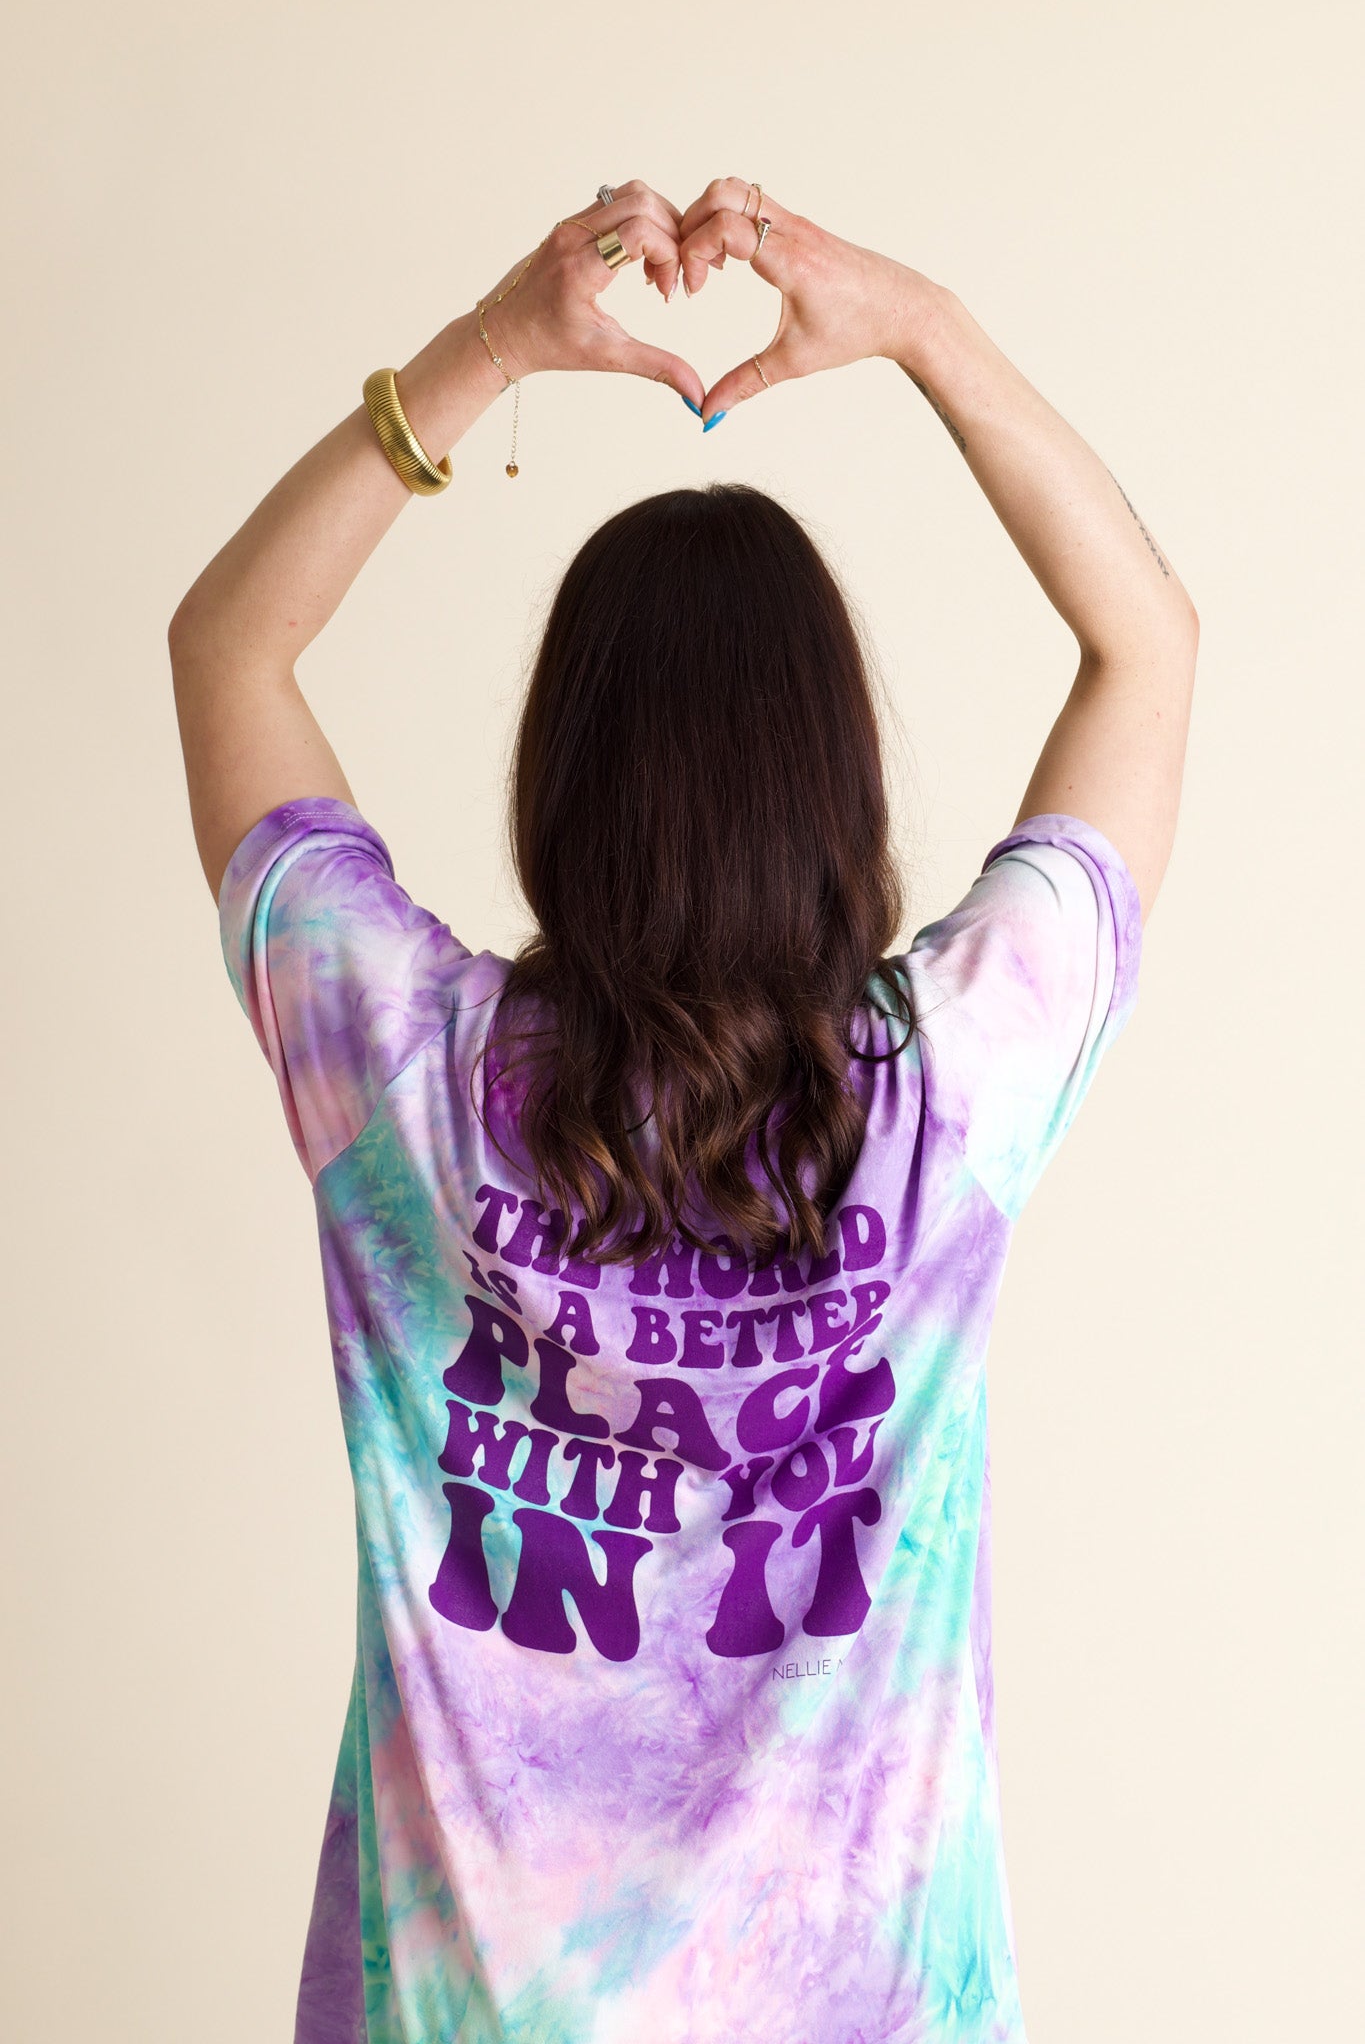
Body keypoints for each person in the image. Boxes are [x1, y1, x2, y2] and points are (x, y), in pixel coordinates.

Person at [169, 176, 1198, 2044]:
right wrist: (923, 329)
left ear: (559, 777)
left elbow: (227, 647)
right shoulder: (943, 1092)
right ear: (834, 783)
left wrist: (491, 349)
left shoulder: (409, 1079)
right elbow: (1147, 642)